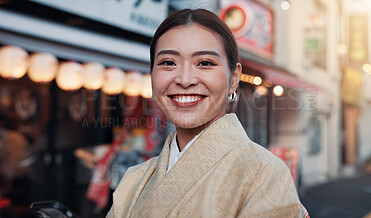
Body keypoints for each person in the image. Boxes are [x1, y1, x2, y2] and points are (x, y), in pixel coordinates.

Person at [107, 9, 302, 217]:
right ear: (152, 75)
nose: (184, 79)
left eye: (205, 63)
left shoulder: (264, 174)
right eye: (168, 63)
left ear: (234, 78)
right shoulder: (134, 180)